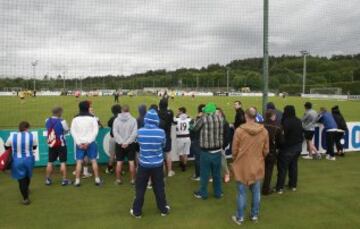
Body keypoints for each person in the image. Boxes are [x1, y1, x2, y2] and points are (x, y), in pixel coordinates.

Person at [231, 107, 269, 225]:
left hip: (243, 165)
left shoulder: (240, 131)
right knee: (256, 192)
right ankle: (254, 215)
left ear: (246, 116)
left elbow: (234, 150)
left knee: (242, 193)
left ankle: (240, 217)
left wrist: (236, 159)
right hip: (256, 165)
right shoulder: (264, 131)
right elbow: (266, 151)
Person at [130, 109, 170, 218]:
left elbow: (138, 145)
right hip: (157, 164)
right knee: (159, 188)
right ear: (156, 120)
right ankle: (163, 209)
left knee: (140, 189)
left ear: (146, 120)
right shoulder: (161, 132)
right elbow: (163, 145)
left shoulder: (140, 132)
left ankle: (137, 211)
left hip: (144, 164)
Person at [193, 103, 224, 200]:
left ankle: (203, 193)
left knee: (204, 174)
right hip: (218, 150)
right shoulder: (220, 119)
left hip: (206, 151)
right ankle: (218, 193)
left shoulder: (204, 119)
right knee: (217, 174)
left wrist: (197, 117)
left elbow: (194, 128)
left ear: (207, 111)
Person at [5, 121, 38, 205]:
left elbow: (6, 147)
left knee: (21, 180)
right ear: (27, 128)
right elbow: (34, 147)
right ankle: (26, 188)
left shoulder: (12, 136)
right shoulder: (31, 136)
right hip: (29, 160)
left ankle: (25, 198)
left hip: (17, 160)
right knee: (27, 176)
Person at [70, 101, 101, 186]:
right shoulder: (92, 118)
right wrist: (88, 142)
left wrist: (79, 143)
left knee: (79, 161)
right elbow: (95, 132)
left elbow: (73, 132)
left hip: (80, 143)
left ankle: (77, 180)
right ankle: (97, 179)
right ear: (88, 108)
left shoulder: (75, 119)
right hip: (90, 143)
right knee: (93, 160)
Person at [276, 105, 303, 194]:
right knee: (293, 167)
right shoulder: (298, 120)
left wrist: (279, 146)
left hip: (288, 148)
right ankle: (293, 185)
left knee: (283, 168)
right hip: (298, 147)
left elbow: (283, 136)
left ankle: (280, 187)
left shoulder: (286, 121)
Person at [45, 107, 71, 186]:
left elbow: (48, 128)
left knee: (50, 162)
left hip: (52, 143)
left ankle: (48, 179)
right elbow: (66, 130)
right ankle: (64, 180)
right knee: (62, 162)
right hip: (61, 143)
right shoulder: (62, 121)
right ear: (59, 112)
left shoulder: (47, 120)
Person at [113, 105, 138, 185]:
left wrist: (122, 142)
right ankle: (133, 180)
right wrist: (126, 142)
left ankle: (118, 180)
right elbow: (134, 133)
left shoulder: (116, 120)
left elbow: (115, 132)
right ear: (129, 110)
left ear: (121, 110)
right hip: (129, 144)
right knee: (131, 162)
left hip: (121, 144)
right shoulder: (133, 120)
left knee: (119, 162)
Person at [262, 110, 282, 195]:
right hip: (271, 151)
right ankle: (265, 189)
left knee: (257, 169)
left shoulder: (260, 124)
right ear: (272, 116)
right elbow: (280, 142)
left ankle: (254, 186)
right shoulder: (277, 126)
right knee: (268, 171)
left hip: (260, 150)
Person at [158, 98, 175, 177]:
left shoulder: (157, 113)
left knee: (160, 154)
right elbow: (172, 121)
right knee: (168, 153)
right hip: (167, 135)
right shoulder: (170, 112)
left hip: (158, 135)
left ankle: (162, 172)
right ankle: (169, 171)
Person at [190, 104, 205, 181]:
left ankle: (198, 175)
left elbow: (191, 128)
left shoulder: (197, 119)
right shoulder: (208, 118)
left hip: (197, 140)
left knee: (198, 159)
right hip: (205, 141)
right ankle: (205, 175)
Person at [216, 108, 231, 183]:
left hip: (221, 145)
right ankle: (215, 175)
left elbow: (227, 135)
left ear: (221, 113)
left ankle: (227, 174)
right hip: (214, 145)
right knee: (215, 161)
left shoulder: (225, 122)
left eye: (217, 112)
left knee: (222, 160)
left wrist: (223, 145)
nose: (216, 114)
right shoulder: (214, 122)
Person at [174, 107, 192, 171]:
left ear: (181, 112)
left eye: (179, 111)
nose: (178, 112)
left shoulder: (177, 119)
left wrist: (177, 115)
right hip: (187, 137)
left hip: (180, 137)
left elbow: (173, 120)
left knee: (180, 153)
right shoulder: (188, 119)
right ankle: (185, 164)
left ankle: (182, 164)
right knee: (186, 152)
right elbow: (191, 120)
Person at [105, 104, 122, 174]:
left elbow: (108, 124)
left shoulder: (112, 118)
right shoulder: (123, 118)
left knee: (112, 155)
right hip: (121, 139)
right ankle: (119, 170)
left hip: (114, 138)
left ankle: (109, 169)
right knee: (120, 156)